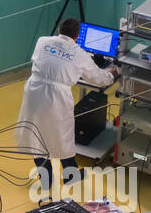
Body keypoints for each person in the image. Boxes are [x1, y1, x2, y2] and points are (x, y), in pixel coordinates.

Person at [16, 17, 115, 195]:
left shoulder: (43, 41)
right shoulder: (79, 54)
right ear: (77, 36)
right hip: (56, 97)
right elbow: (97, 79)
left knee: (35, 134)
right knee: (63, 136)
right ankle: (70, 175)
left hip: (34, 90)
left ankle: (46, 179)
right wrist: (112, 74)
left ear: (60, 30)